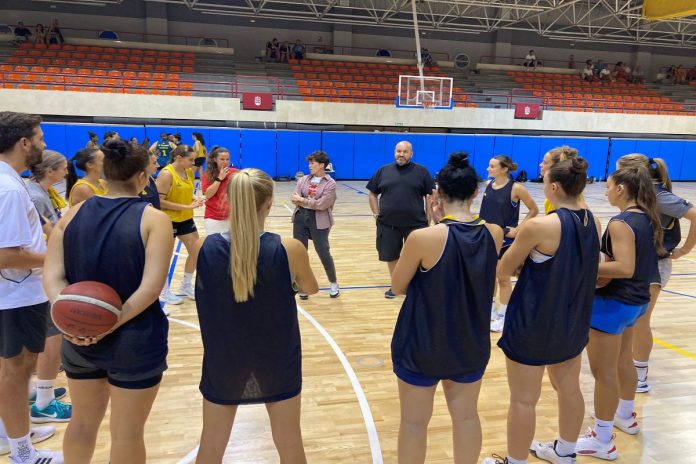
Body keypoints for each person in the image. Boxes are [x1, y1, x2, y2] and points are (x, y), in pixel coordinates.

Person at [43, 139, 172, 464]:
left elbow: (52, 277)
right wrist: (108, 322)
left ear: (104, 176)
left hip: (78, 340)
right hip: (135, 339)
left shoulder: (72, 215)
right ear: (143, 177)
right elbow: (151, 288)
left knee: (83, 424)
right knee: (127, 433)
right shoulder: (155, 219)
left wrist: (72, 322)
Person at [194, 168, 318, 463]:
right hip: (276, 357)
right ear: (269, 203)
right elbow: (310, 288)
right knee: (289, 443)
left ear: (231, 201)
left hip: (225, 357)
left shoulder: (203, 247)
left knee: (211, 445)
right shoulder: (290, 248)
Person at [483, 157, 600, 464]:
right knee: (569, 389)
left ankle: (516, 461)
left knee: (523, 399)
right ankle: (565, 452)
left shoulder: (538, 226)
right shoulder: (594, 221)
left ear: (554, 187)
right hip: (573, 320)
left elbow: (503, 269)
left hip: (533, 321)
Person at [391, 152, 503, 464]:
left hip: (422, 344)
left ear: (438, 194)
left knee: (414, 424)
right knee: (466, 418)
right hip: (470, 342)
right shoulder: (493, 233)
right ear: (476, 192)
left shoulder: (424, 237)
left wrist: (434, 219)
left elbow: (398, 286)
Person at [575, 166, 661, 460]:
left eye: (609, 186)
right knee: (624, 361)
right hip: (636, 303)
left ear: (622, 189)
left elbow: (624, 267)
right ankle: (626, 415)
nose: (606, 190)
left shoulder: (620, 223)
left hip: (612, 304)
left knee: (604, 373)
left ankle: (602, 439)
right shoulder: (647, 216)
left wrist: (586, 267)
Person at [0, 111, 62, 464]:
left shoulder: (10, 181)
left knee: (11, 369)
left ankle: (11, 431)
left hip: (16, 295)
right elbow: (6, 256)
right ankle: (23, 453)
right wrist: (55, 259)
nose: (44, 144)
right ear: (23, 143)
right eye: (39, 138)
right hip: (16, 295)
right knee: (16, 370)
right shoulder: (9, 188)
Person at [616, 154, 696, 393]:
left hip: (655, 265)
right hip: (638, 263)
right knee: (630, 318)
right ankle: (627, 366)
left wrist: (685, 249)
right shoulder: (641, 195)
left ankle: (640, 375)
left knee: (641, 320)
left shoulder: (660, 197)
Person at [26, 150, 73, 424]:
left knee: (41, 339)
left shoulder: (38, 191)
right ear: (50, 170)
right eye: (63, 168)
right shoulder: (33, 196)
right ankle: (44, 402)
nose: (66, 173)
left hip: (39, 274)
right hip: (38, 276)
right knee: (50, 339)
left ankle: (35, 390)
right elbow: (49, 234)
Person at [366, 141, 435, 299]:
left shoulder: (422, 172)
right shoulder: (383, 171)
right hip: (387, 224)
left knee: (417, 257)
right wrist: (376, 214)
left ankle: (417, 286)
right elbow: (372, 194)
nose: (401, 154)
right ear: (394, 152)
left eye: (405, 151)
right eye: (399, 151)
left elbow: (429, 196)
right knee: (391, 256)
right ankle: (396, 285)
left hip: (416, 225)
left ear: (411, 154)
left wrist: (428, 220)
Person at [479, 155, 539, 332]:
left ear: (504, 169)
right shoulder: (488, 185)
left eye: (492, 166)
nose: (488, 169)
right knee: (488, 277)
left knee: (503, 278)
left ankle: (502, 316)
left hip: (505, 240)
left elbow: (534, 210)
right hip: (487, 237)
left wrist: (519, 229)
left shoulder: (516, 188)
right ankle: (489, 310)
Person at [155, 144, 205, 304]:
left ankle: (185, 285)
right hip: (168, 221)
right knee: (165, 257)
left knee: (196, 252)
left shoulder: (189, 172)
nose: (193, 162)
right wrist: (186, 206)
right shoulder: (166, 174)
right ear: (179, 158)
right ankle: (163, 291)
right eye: (190, 159)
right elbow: (160, 201)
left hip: (186, 219)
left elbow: (186, 193)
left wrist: (194, 199)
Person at [291, 151, 340, 299]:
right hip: (300, 218)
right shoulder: (304, 179)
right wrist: (304, 201)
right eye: (309, 163)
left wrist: (304, 201)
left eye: (312, 163)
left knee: (323, 252)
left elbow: (322, 204)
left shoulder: (330, 183)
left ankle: (333, 283)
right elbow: (294, 198)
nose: (309, 165)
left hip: (319, 220)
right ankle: (302, 285)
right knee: (300, 252)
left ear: (321, 165)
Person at [539, 146, 589, 215]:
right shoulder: (553, 195)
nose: (540, 165)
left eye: (545, 162)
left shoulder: (575, 205)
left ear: (556, 166)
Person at [201, 146, 238, 234]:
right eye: (222, 159)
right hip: (214, 218)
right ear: (215, 159)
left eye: (227, 159)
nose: (225, 162)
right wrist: (219, 179)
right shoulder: (207, 175)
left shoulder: (235, 173)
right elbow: (207, 195)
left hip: (232, 217)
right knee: (215, 246)